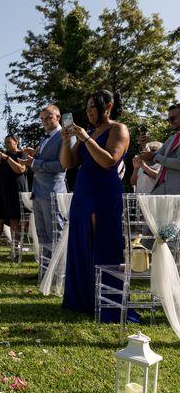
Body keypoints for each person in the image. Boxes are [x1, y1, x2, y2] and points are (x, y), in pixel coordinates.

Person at [59, 90, 135, 322]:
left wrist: (86, 138)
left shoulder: (118, 129)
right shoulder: (89, 133)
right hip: (83, 193)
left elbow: (109, 160)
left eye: (93, 106)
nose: (89, 111)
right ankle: (81, 299)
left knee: (102, 244)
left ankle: (106, 302)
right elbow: (67, 163)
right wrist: (66, 140)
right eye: (88, 107)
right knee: (81, 243)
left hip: (104, 193)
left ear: (108, 106)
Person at [18, 105, 68, 262]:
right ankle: (45, 270)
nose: (45, 121)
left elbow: (62, 165)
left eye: (48, 117)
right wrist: (34, 155)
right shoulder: (45, 137)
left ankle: (58, 271)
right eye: (42, 118)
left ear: (58, 117)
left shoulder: (64, 136)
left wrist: (34, 163)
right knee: (42, 234)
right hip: (38, 192)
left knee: (55, 232)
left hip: (53, 191)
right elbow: (42, 161)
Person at [0, 134, 27, 258]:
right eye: (5, 143)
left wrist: (7, 158)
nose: (6, 145)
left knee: (14, 219)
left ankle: (15, 249)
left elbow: (20, 170)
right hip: (1, 191)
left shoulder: (21, 154)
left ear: (16, 142)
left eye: (9, 142)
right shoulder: (2, 157)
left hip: (15, 190)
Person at [143, 104, 180, 195]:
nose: (170, 122)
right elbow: (151, 161)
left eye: (172, 118)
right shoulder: (171, 139)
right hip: (162, 189)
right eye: (168, 119)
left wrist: (155, 156)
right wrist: (144, 148)